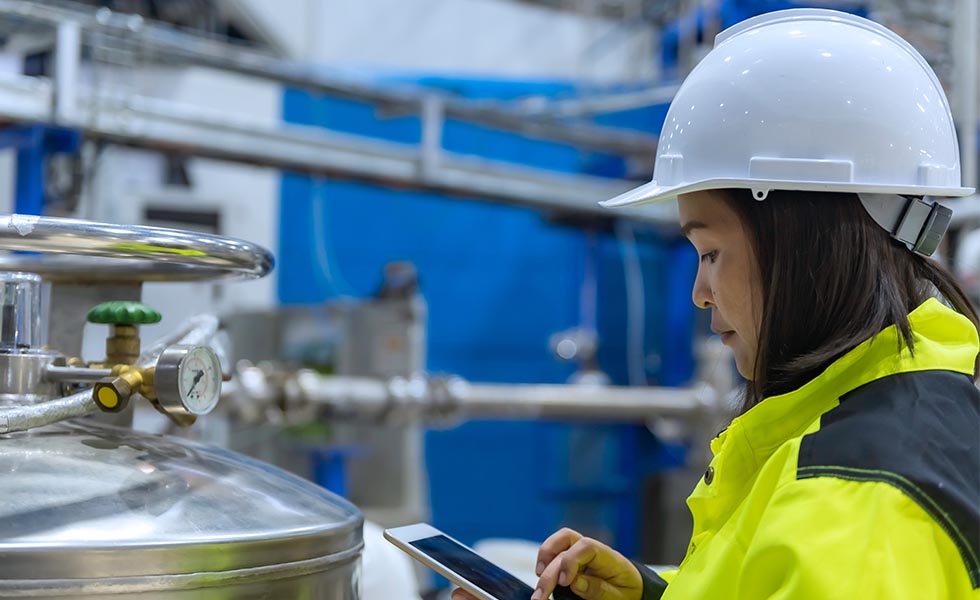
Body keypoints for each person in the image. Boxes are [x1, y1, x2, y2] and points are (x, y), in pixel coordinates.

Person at [452, 8, 980, 600]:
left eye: (710, 253)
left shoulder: (858, 506)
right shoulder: (874, 410)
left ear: (806, 245)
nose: (699, 293)